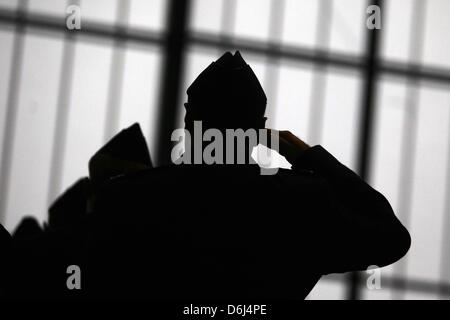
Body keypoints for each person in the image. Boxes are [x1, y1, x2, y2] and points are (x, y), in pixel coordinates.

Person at [0, 51, 410, 300]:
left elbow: (31, 266)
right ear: (259, 129)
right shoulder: (303, 204)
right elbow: (391, 236)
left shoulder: (134, 200)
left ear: (190, 121)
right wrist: (305, 154)